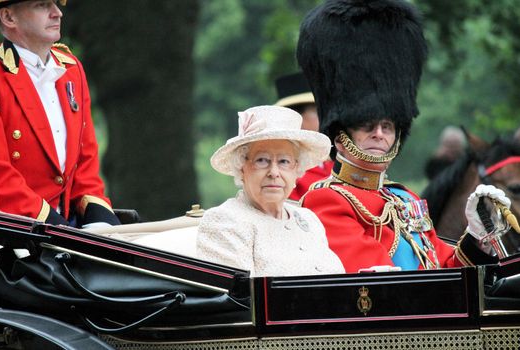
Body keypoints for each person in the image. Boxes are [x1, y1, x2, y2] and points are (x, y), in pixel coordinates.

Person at [296, 0, 511, 273]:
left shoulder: (405, 198)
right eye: (366, 125)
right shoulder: (327, 199)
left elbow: (443, 265)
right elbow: (383, 285)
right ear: (340, 135)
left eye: (387, 126)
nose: (378, 134)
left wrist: (477, 238)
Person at [0, 0, 120, 228]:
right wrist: (54, 225)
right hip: (13, 230)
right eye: (42, 5)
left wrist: (101, 221)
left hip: (64, 227)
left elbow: (85, 163)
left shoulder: (72, 68)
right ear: (8, 17)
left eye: (56, 4)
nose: (57, 13)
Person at [196, 105, 345, 277]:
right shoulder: (225, 221)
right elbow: (239, 300)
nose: (274, 172)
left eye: (283, 161)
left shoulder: (309, 220)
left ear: (297, 169)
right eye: (262, 160)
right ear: (242, 167)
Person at [274, 72, 333, 201]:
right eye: (318, 112)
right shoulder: (283, 168)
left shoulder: (331, 163)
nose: (325, 117)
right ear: (297, 117)